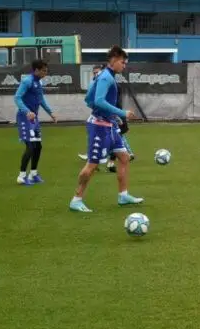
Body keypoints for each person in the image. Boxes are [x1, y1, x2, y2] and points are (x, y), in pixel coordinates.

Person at [70, 46, 143, 213]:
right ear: (115, 60)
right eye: (123, 63)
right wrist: (121, 112)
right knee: (92, 165)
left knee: (124, 157)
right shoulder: (106, 78)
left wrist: (110, 115)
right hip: (99, 127)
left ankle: (123, 195)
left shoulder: (104, 75)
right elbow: (99, 100)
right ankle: (76, 199)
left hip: (109, 125)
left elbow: (89, 98)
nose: (124, 66)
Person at [14, 59, 57, 185]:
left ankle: (33, 174)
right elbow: (17, 97)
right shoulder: (27, 81)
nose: (45, 73)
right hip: (24, 118)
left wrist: (51, 112)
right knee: (30, 146)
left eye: (46, 71)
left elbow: (41, 99)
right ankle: (21, 176)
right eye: (43, 71)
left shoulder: (39, 83)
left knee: (38, 146)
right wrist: (27, 111)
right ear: (36, 70)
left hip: (34, 119)